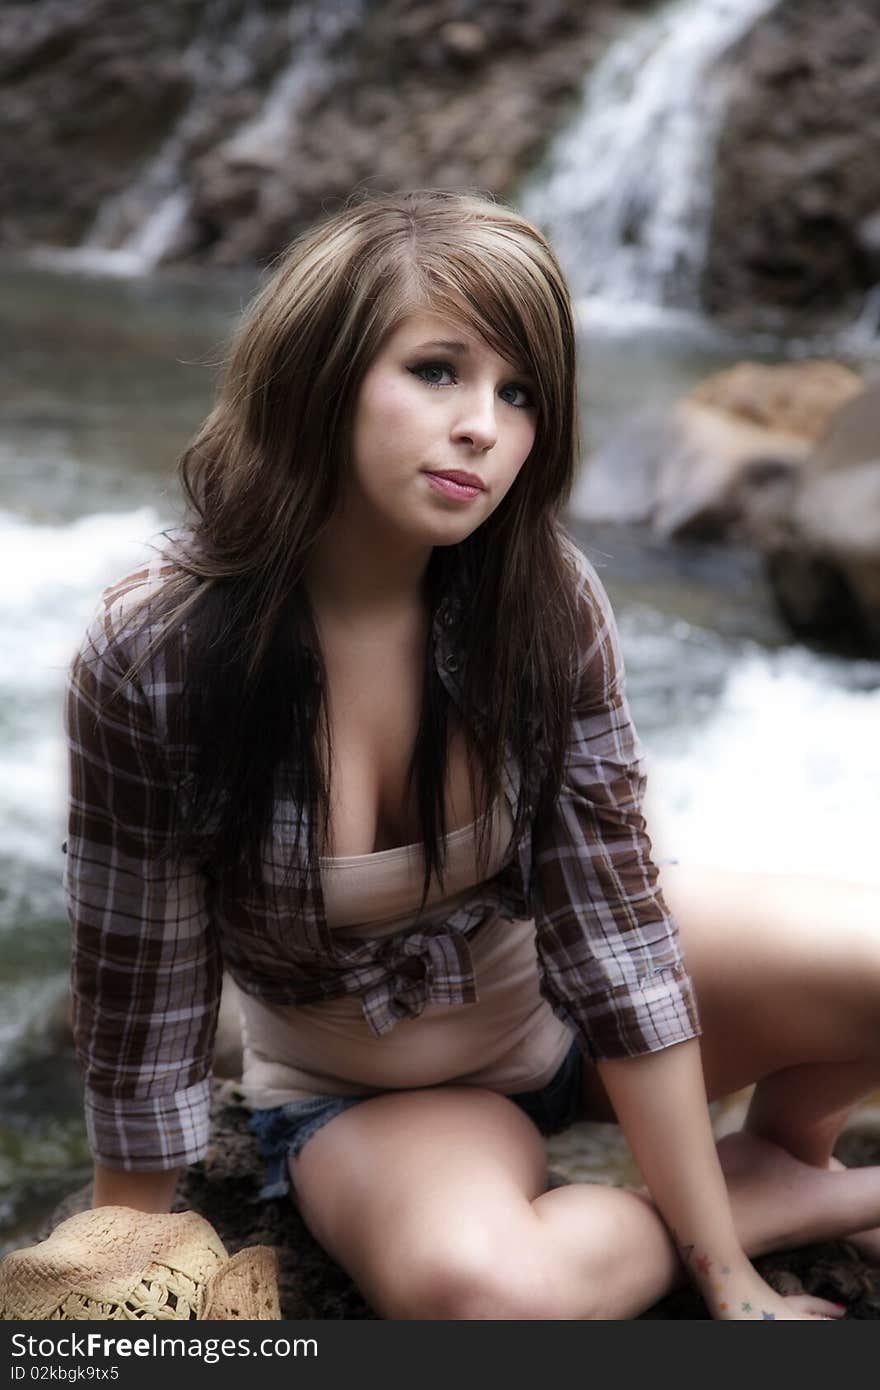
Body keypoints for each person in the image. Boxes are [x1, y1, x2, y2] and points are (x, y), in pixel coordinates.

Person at [64, 188, 880, 1321]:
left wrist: (728, 1287)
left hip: (563, 1011)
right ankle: (772, 1197)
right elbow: (143, 993)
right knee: (483, 1296)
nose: (482, 428)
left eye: (519, 392)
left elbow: (613, 935)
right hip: (376, 1097)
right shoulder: (155, 651)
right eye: (437, 370)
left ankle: (779, 1160)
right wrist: (121, 1288)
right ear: (320, 369)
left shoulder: (544, 598)